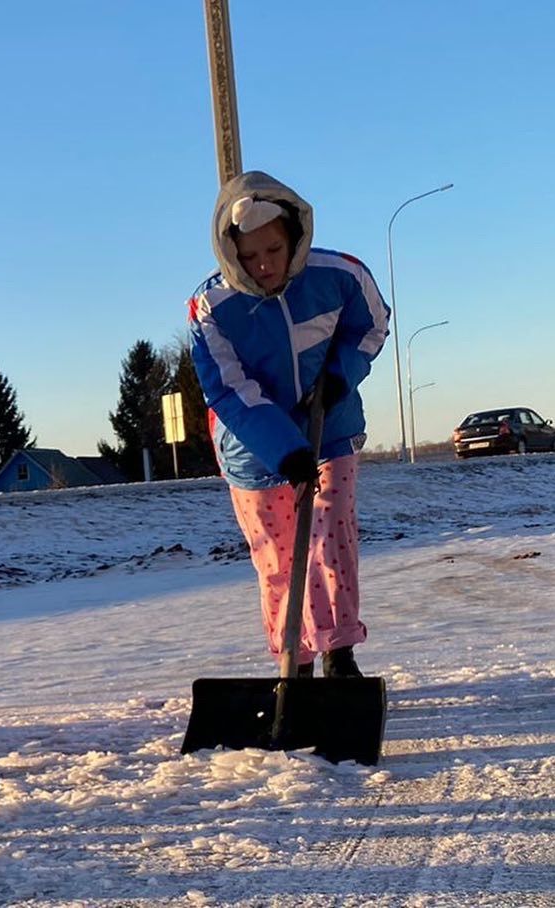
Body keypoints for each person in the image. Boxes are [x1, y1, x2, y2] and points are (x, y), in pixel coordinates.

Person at [188, 171, 390, 678]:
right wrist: (284, 448)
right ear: (229, 251)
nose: (263, 266)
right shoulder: (211, 306)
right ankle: (292, 659)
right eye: (250, 255)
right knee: (276, 558)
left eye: (274, 251)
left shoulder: (339, 275)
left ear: (294, 236)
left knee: (331, 537)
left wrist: (342, 375)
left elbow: (372, 324)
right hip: (253, 451)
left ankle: (338, 653)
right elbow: (228, 389)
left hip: (331, 431)